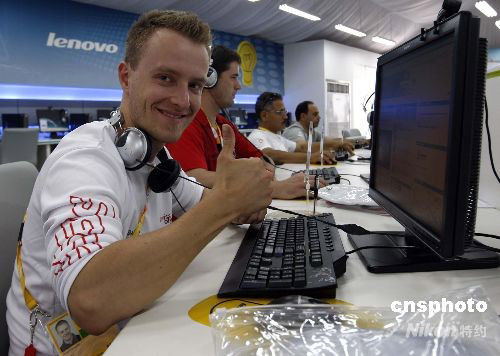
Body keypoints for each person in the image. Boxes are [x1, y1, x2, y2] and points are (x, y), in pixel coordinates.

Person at [6, 10, 272, 355]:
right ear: (126, 77)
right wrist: (226, 204)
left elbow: (218, 207)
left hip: (133, 331)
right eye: (165, 78)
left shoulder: (156, 159)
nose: (183, 100)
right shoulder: (83, 160)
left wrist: (245, 196)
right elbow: (92, 301)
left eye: (194, 85)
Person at [166, 45, 324, 199]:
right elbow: (192, 177)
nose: (238, 86)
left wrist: (264, 174)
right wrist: (271, 188)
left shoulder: (223, 125)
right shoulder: (188, 122)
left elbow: (263, 160)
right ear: (209, 78)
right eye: (234, 77)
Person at [247, 92, 353, 164]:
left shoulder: (277, 137)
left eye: (285, 111)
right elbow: (268, 154)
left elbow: (301, 148)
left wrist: (332, 144)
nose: (285, 116)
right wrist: (311, 157)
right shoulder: (257, 136)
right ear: (264, 115)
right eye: (280, 112)